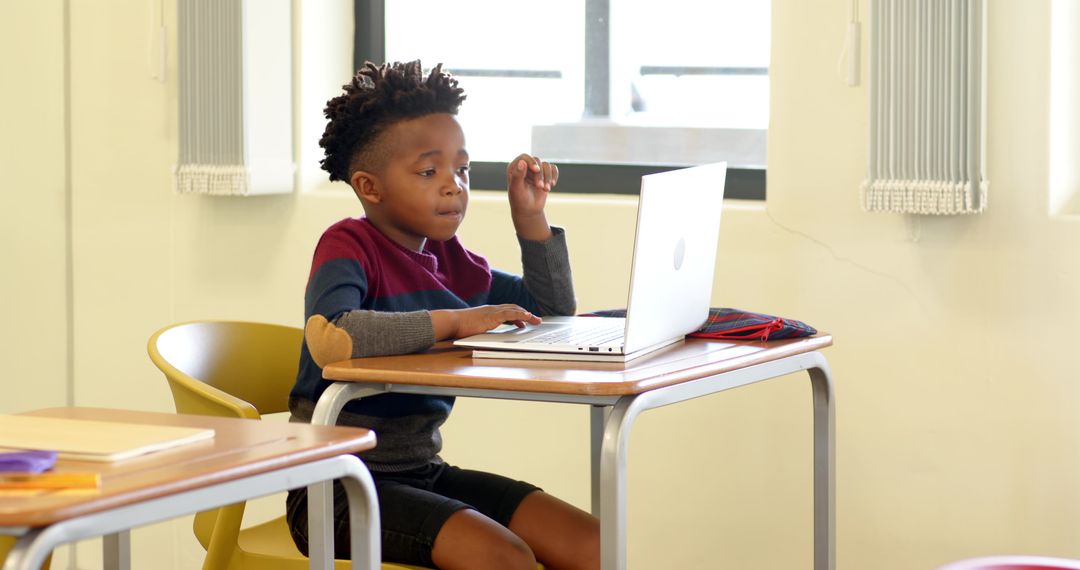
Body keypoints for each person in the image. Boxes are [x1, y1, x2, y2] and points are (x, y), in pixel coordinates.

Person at [285, 60, 600, 570]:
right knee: (505, 558)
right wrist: (454, 321)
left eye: (462, 169)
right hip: (333, 488)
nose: (454, 185)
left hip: (422, 473)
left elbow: (551, 312)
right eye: (429, 172)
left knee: (594, 545)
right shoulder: (348, 244)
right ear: (370, 186)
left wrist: (531, 219)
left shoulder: (448, 257)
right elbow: (331, 336)